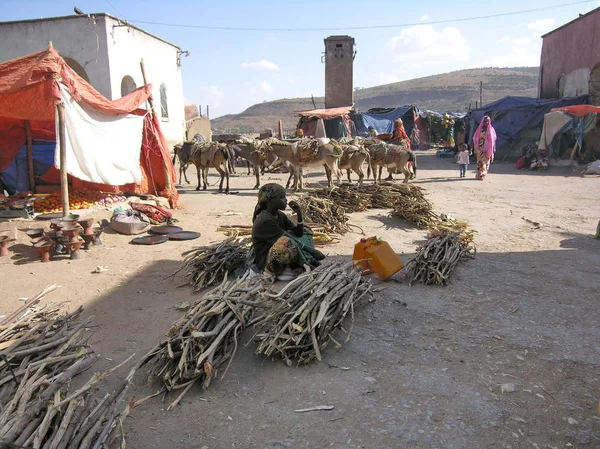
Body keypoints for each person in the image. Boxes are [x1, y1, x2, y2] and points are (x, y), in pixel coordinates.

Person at [251, 183, 325, 280]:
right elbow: (287, 237)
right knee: (285, 244)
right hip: (265, 259)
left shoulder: (279, 215)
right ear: (270, 200)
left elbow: (299, 233)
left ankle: (294, 264)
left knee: (306, 232)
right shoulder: (265, 220)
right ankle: (272, 269)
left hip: (277, 245)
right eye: (282, 197)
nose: (286, 200)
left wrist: (299, 214)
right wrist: (312, 251)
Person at [473, 115, 497, 180]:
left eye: (487, 121)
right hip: (480, 148)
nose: (486, 122)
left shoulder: (491, 129)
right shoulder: (480, 129)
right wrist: (476, 146)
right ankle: (479, 174)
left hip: (488, 149)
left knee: (486, 162)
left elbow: (493, 140)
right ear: (483, 121)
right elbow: (475, 137)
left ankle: (482, 175)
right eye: (485, 121)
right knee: (481, 162)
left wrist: (493, 148)